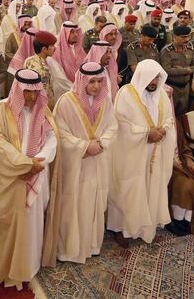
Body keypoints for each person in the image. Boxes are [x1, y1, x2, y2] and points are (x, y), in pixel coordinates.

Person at [0, 68, 60, 289]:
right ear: (17, 89)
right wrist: (24, 164)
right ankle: (7, 270)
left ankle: (28, 266)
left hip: (37, 173)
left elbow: (52, 138)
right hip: (9, 178)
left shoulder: (43, 111)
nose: (32, 97)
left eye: (35, 92)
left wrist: (40, 162)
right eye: (27, 92)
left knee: (32, 224)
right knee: (7, 224)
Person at [54, 62, 117, 263]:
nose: (96, 86)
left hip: (98, 161)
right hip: (76, 166)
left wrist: (100, 144)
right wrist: (83, 146)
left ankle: (92, 245)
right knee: (73, 204)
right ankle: (69, 250)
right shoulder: (65, 102)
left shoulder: (106, 101)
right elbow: (60, 134)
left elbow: (112, 127)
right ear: (82, 81)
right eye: (92, 81)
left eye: (100, 81)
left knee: (95, 203)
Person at [107, 60, 176, 244]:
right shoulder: (126, 93)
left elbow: (169, 118)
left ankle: (147, 227)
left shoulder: (161, 95)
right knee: (127, 188)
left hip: (155, 151)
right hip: (131, 153)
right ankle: (120, 228)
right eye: (151, 78)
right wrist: (146, 133)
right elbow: (121, 123)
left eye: (157, 77)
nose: (154, 82)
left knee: (151, 187)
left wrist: (162, 131)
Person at [160, 26, 194, 116]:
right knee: (170, 113)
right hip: (172, 86)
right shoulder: (167, 51)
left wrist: (180, 69)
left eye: (188, 36)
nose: (187, 39)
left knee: (183, 113)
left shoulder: (190, 49)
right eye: (183, 37)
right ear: (174, 37)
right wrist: (186, 70)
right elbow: (166, 70)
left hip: (185, 87)